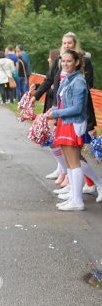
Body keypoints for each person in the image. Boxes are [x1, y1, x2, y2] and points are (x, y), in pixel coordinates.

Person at [45, 50, 89, 211]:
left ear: (77, 62)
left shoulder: (78, 81)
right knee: (68, 162)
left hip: (73, 123)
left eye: (69, 61)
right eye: (63, 61)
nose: (65, 64)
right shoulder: (67, 80)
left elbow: (77, 108)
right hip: (65, 122)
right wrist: (54, 112)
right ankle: (73, 196)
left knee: (74, 162)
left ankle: (78, 200)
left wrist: (56, 113)